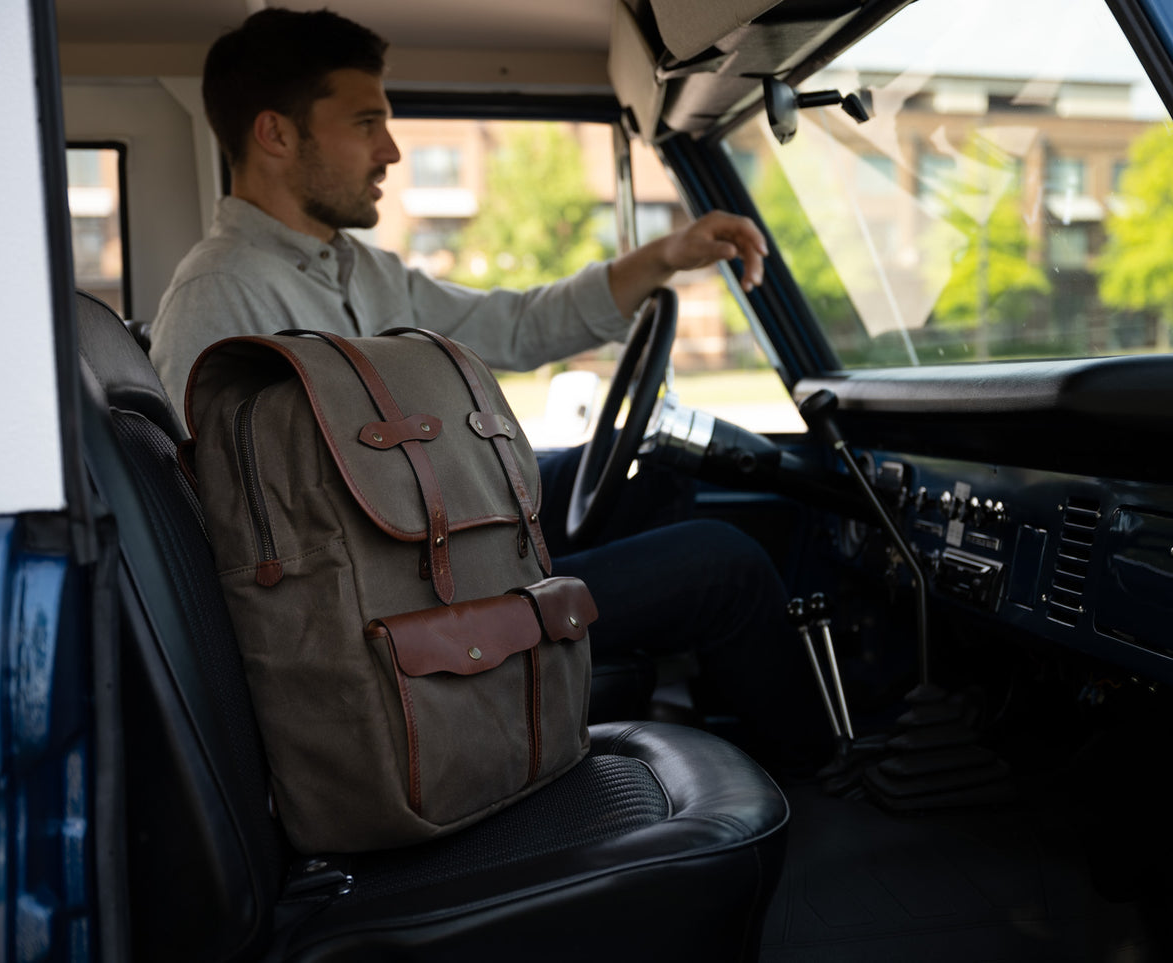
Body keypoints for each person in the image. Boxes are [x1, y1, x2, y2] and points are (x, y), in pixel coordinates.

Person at [149, 7, 827, 773]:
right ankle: (821, 779)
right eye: (367, 123)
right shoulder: (222, 299)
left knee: (656, 466)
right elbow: (243, 549)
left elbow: (510, 327)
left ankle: (644, 695)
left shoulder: (352, 268)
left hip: (436, 541)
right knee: (722, 561)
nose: (392, 151)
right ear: (276, 134)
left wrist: (663, 256)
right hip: (396, 610)